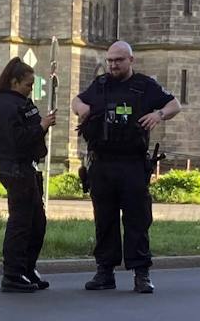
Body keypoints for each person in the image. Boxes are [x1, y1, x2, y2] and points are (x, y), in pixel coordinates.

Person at [73, 41, 180, 292]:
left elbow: (174, 104)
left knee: (137, 220)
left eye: (118, 60)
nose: (113, 65)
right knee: (105, 220)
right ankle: (104, 272)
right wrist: (82, 109)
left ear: (131, 60)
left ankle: (141, 274)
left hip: (132, 163)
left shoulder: (144, 86)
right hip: (102, 164)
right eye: (110, 60)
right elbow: (76, 101)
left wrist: (158, 115)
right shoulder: (100, 85)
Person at [0, 58, 54, 292]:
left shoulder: (20, 102)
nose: (30, 89)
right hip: (16, 168)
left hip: (27, 168)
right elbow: (17, 140)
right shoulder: (4, 105)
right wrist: (42, 126)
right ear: (14, 82)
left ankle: (26, 268)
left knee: (36, 223)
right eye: (27, 84)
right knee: (21, 223)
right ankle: (13, 274)